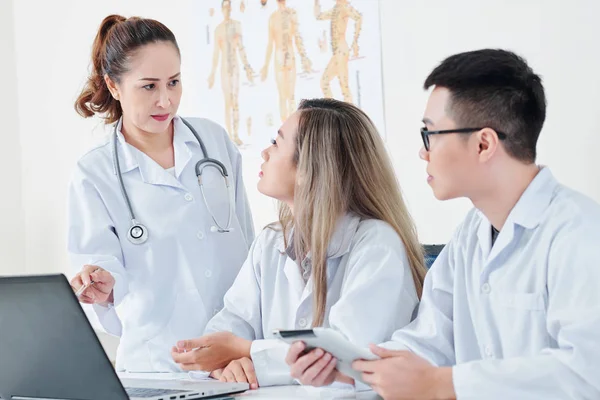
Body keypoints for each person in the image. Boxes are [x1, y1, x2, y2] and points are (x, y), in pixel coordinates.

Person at [286, 49, 600, 399]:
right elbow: (428, 341)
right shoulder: (470, 236)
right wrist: (345, 367)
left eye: (430, 134)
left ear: (483, 144)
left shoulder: (579, 233)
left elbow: (587, 373)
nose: (424, 151)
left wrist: (444, 385)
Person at [170, 98, 428, 389]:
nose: (265, 153)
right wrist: (229, 364)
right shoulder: (270, 243)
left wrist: (246, 351)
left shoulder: (377, 244)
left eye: (276, 143)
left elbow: (347, 357)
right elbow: (226, 329)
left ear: (308, 167)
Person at [69, 14, 255, 373]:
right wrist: (101, 281)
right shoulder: (95, 173)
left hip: (233, 358)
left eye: (174, 82)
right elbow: (101, 263)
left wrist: (253, 345)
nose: (165, 101)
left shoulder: (213, 143)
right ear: (114, 85)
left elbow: (247, 243)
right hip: (156, 364)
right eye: (149, 86)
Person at [208, 0, 255, 146]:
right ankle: (230, 135)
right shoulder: (218, 30)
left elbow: (241, 48)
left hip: (234, 67)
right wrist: (212, 74)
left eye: (229, 7)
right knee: (228, 102)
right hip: (224, 69)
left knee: (235, 102)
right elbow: (216, 54)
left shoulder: (236, 26)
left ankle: (235, 134)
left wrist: (247, 67)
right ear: (222, 10)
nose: (227, 10)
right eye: (225, 8)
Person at [260, 0, 312, 122]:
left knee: (291, 95)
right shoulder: (273, 18)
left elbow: (297, 37)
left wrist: (304, 57)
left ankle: (294, 130)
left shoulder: (291, 14)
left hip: (289, 55)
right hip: (279, 56)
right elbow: (270, 43)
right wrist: (266, 66)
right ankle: (285, 129)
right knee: (283, 96)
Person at [314, 0, 362, 103]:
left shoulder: (345, 7)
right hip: (337, 52)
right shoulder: (335, 9)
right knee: (325, 82)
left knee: (343, 86)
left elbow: (358, 18)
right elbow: (319, 16)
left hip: (341, 50)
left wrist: (355, 41)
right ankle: (333, 112)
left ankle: (348, 115)